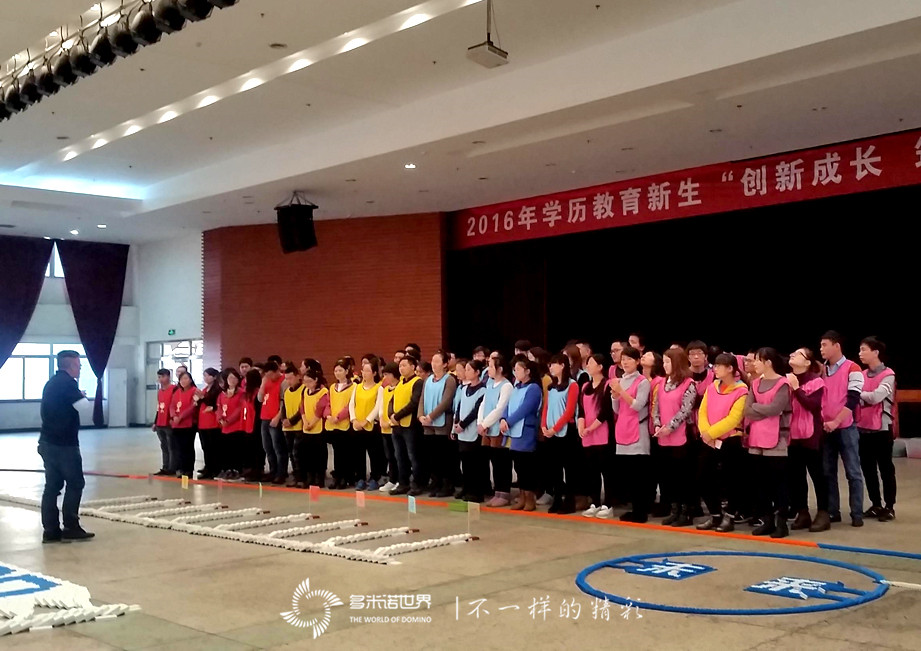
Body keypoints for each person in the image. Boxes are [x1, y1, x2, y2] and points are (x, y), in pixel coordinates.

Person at [38, 350, 93, 543]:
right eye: (79, 365)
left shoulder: (51, 383)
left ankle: (50, 530)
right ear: (72, 366)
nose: (80, 369)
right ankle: (71, 526)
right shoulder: (69, 383)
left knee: (52, 487)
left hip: (47, 441)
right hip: (64, 445)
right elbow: (83, 406)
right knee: (75, 483)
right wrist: (81, 395)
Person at [696, 354, 749, 532]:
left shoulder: (741, 390)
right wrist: (706, 434)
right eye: (715, 365)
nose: (715, 369)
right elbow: (702, 412)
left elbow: (733, 418)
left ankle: (730, 516)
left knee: (732, 480)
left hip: (730, 440)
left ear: (730, 368)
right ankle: (715, 515)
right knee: (703, 476)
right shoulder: (712, 387)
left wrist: (711, 433)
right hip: (709, 441)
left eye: (719, 366)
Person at [744, 348, 792, 538]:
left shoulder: (783, 383)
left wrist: (757, 407)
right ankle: (767, 520)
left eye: (757, 360)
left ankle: (781, 522)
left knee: (778, 483)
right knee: (760, 483)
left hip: (777, 439)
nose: (754, 363)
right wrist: (762, 409)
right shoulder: (755, 383)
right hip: (756, 439)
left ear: (768, 362)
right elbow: (747, 410)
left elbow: (776, 408)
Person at [819, 331, 865, 527]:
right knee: (828, 472)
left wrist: (836, 421)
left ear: (836, 345)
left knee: (853, 472)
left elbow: (853, 399)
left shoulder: (853, 368)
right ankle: (832, 511)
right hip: (825, 428)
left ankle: (857, 514)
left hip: (845, 427)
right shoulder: (821, 370)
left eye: (824, 345)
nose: (821, 349)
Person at [652, 348, 697, 527]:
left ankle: (686, 512)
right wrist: (657, 424)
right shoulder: (662, 382)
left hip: (681, 436)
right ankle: (674, 510)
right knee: (668, 476)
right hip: (663, 437)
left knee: (682, 477)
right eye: (663, 362)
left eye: (667, 362)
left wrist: (670, 427)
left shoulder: (689, 384)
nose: (664, 365)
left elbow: (686, 409)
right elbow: (656, 406)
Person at [786, 348, 829, 532]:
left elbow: (813, 405)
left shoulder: (816, 381)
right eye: (792, 353)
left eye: (798, 354)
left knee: (818, 475)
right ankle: (802, 512)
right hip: (792, 435)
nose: (792, 355)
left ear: (807, 362)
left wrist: (796, 388)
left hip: (812, 435)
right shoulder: (786, 380)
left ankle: (823, 512)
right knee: (796, 477)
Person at [856, 336, 897, 522]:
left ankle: (889, 506)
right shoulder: (862, 374)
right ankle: (876, 504)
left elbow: (876, 397)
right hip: (863, 428)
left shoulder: (888, 374)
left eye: (864, 349)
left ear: (876, 352)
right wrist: (863, 396)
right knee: (868, 469)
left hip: (882, 429)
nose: (860, 353)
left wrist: (859, 394)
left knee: (886, 469)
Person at [610, 346, 652, 523]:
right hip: (623, 429)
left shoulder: (643, 382)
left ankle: (641, 512)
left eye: (629, 359)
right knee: (627, 475)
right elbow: (617, 409)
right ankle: (634, 509)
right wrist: (614, 396)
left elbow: (637, 405)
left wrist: (620, 391)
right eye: (623, 359)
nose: (625, 362)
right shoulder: (620, 381)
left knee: (639, 476)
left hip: (638, 430)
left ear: (637, 361)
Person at [500, 356, 543, 511]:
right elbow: (508, 405)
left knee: (527, 467)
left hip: (525, 431)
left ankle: (530, 497)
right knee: (518, 466)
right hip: (513, 432)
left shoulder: (534, 388)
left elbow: (525, 408)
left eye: (518, 369)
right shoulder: (516, 387)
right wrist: (503, 418)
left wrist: (509, 421)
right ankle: (522, 496)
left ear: (527, 371)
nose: (515, 372)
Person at [542, 354, 581, 514]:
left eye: (554, 364)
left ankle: (570, 501)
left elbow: (569, 411)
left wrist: (555, 428)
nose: (551, 367)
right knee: (554, 468)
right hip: (550, 432)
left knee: (569, 468)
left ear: (563, 365)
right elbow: (546, 407)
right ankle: (557, 499)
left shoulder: (572, 385)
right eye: (550, 365)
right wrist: (544, 426)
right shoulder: (551, 387)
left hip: (566, 432)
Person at [579, 354, 615, 518]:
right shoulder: (585, 386)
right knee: (591, 470)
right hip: (587, 434)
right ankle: (594, 502)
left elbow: (606, 412)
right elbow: (581, 410)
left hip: (602, 433)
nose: (588, 366)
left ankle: (608, 504)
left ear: (600, 367)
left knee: (606, 471)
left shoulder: (607, 385)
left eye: (591, 363)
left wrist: (591, 427)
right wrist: (581, 426)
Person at [419, 351, 459, 497]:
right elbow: (422, 398)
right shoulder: (428, 379)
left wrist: (431, 416)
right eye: (432, 361)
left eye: (437, 361)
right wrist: (421, 415)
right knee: (432, 456)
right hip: (427, 423)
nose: (434, 364)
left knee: (444, 456)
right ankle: (436, 482)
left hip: (442, 422)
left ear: (445, 364)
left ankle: (447, 485)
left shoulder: (449, 380)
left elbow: (446, 401)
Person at [480, 354, 514, 507]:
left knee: (502, 462)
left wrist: (485, 423)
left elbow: (500, 408)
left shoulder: (506, 386)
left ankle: (504, 493)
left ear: (499, 369)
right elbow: (484, 403)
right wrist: (481, 422)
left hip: (499, 429)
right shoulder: (489, 383)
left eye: (491, 366)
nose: (488, 369)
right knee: (494, 461)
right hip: (488, 428)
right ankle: (497, 492)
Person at [453, 360, 488, 502]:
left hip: (473, 430)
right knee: (465, 462)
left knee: (475, 463)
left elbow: (476, 411)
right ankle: (467, 488)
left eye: (468, 369)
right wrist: (456, 424)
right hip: (462, 431)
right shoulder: (463, 389)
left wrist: (463, 424)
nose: (466, 372)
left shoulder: (483, 390)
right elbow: (459, 407)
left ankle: (477, 491)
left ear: (477, 372)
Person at [389, 356, 425, 496]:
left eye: (404, 365)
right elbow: (392, 401)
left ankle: (418, 483)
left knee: (414, 456)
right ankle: (403, 483)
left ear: (413, 367)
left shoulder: (418, 382)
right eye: (400, 366)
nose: (401, 368)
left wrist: (397, 416)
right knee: (400, 456)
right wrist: (391, 415)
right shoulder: (400, 383)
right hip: (397, 426)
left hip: (411, 426)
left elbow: (414, 403)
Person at [350, 359, 386, 491]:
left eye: (367, 371)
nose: (364, 373)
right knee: (358, 454)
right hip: (357, 425)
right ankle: (360, 478)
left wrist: (367, 420)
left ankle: (374, 478)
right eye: (363, 371)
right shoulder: (357, 387)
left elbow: (378, 406)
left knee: (374, 454)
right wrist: (354, 420)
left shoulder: (379, 388)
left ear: (374, 373)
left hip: (371, 426)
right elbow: (351, 404)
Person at [326, 359, 356, 489]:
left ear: (346, 371)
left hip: (345, 424)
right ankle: (337, 476)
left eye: (340, 370)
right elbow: (328, 403)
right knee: (336, 452)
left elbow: (350, 405)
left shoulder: (353, 387)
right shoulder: (332, 387)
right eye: (336, 370)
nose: (337, 373)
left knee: (346, 452)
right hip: (333, 424)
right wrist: (328, 415)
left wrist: (338, 417)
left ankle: (345, 477)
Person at [299, 367, 331, 488]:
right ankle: (309, 477)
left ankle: (319, 477)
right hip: (306, 427)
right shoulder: (305, 391)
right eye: (305, 381)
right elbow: (302, 407)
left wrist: (311, 423)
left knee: (319, 455)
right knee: (307, 455)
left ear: (316, 380)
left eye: (309, 381)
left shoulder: (323, 392)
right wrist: (305, 422)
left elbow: (320, 410)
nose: (307, 384)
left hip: (318, 428)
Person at [258, 361, 286, 484]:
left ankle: (281, 473)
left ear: (277, 371)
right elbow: (260, 399)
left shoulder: (283, 381)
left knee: (278, 447)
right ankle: (272, 470)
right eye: (267, 375)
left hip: (275, 418)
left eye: (271, 375)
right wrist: (263, 384)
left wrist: (278, 416)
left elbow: (284, 401)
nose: (270, 377)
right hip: (265, 417)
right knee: (267, 447)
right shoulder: (266, 381)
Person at [194, 368, 222, 480]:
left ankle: (214, 469)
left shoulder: (217, 390)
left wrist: (203, 397)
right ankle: (208, 466)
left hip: (212, 422)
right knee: (205, 447)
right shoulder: (205, 389)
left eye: (208, 375)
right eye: (204, 375)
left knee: (213, 447)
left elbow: (213, 404)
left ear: (214, 377)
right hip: (203, 422)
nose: (205, 378)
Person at [217, 368, 245, 480]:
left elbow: (239, 409)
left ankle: (237, 470)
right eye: (230, 378)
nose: (232, 380)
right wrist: (220, 419)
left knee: (236, 449)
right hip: (224, 426)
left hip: (236, 425)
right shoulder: (222, 394)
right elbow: (219, 407)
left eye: (234, 378)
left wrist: (229, 421)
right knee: (226, 449)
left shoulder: (242, 393)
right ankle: (227, 469)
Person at [170, 372, 198, 478]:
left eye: (186, 378)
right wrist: (174, 416)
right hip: (177, 424)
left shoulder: (194, 391)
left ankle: (188, 469)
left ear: (190, 380)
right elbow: (172, 406)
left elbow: (193, 407)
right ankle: (181, 468)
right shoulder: (177, 392)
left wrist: (180, 417)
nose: (183, 381)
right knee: (179, 448)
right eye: (181, 379)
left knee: (188, 447)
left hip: (188, 423)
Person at [377, 363, 400, 492]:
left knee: (398, 455)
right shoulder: (385, 389)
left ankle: (400, 480)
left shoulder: (400, 388)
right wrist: (381, 419)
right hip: (384, 427)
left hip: (395, 427)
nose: (385, 377)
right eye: (384, 375)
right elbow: (382, 406)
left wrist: (390, 422)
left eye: (387, 374)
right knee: (390, 456)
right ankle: (392, 479)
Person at [281, 367, 305, 486]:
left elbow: (302, 409)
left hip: (299, 426)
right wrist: (284, 419)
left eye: (290, 378)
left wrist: (292, 421)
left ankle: (302, 478)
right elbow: (284, 407)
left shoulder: (304, 389)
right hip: (288, 427)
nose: (288, 381)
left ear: (297, 376)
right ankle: (296, 477)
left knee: (298, 454)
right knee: (291, 453)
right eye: (286, 379)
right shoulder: (286, 391)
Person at [241, 368, 264, 480]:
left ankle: (258, 470)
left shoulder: (258, 393)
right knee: (249, 448)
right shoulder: (247, 393)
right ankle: (250, 468)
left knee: (257, 448)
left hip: (256, 424)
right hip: (247, 423)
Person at [152, 369, 176, 476]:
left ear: (168, 377)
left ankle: (172, 468)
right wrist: (155, 422)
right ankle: (165, 466)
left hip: (169, 423)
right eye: (159, 377)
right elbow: (159, 407)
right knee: (164, 446)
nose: (161, 379)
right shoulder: (160, 391)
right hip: (160, 423)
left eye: (163, 376)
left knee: (172, 447)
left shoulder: (174, 389)